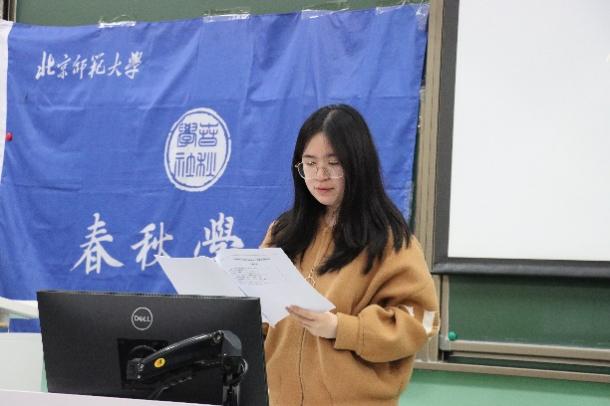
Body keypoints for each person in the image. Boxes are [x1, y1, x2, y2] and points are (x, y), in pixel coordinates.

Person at [261, 104, 439, 406]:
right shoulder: (284, 232)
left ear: (358, 165)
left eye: (334, 163)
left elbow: (420, 320)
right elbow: (266, 314)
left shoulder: (389, 240)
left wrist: (341, 328)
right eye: (310, 163)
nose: (320, 175)